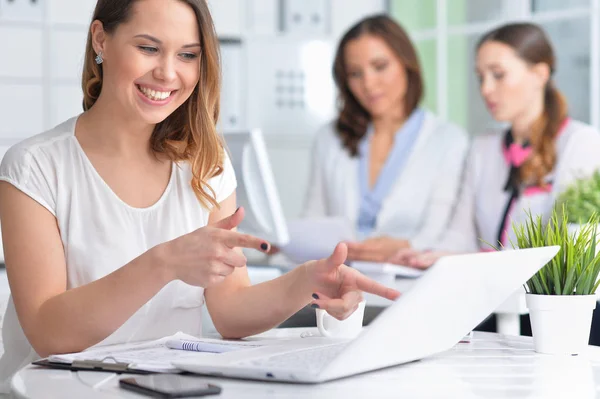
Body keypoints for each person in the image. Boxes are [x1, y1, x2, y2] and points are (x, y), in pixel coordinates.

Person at [0, 0, 400, 391]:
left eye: (188, 55)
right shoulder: (34, 167)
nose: (168, 73)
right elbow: (48, 331)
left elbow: (230, 310)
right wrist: (165, 262)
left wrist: (307, 281)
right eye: (148, 48)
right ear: (101, 39)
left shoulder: (206, 164)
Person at [389, 23, 600, 338]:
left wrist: (480, 262)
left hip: (553, 316)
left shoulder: (581, 143)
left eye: (498, 74)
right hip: (492, 306)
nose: (486, 88)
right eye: (480, 77)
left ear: (540, 74)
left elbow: (566, 254)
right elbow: (461, 236)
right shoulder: (482, 148)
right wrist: (431, 256)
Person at [301, 15, 470, 263]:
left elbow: (443, 232)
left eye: (380, 66)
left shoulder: (449, 141)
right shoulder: (329, 138)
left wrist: (405, 247)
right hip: (339, 282)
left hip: (410, 282)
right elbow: (312, 221)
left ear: (406, 64)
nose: (369, 83)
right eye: (355, 74)